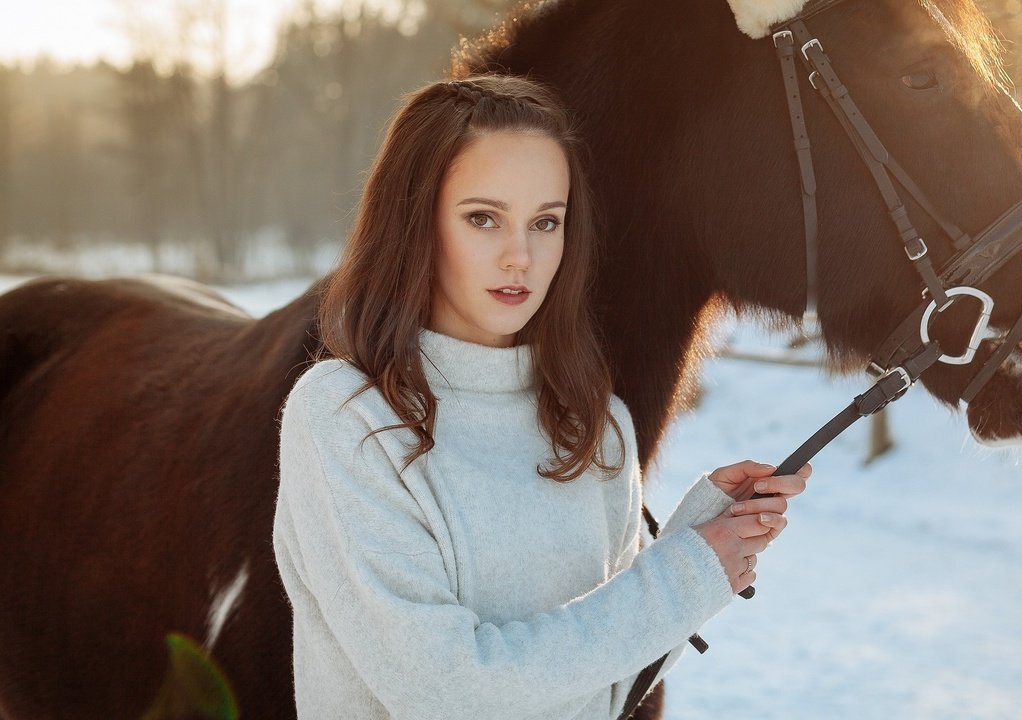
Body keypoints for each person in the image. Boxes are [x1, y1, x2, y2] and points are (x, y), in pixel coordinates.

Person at [271, 73, 812, 720]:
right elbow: (444, 691)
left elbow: (605, 685)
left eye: (546, 222)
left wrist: (704, 541)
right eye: (483, 219)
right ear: (414, 222)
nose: (520, 257)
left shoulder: (594, 423)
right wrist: (683, 576)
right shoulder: (343, 418)